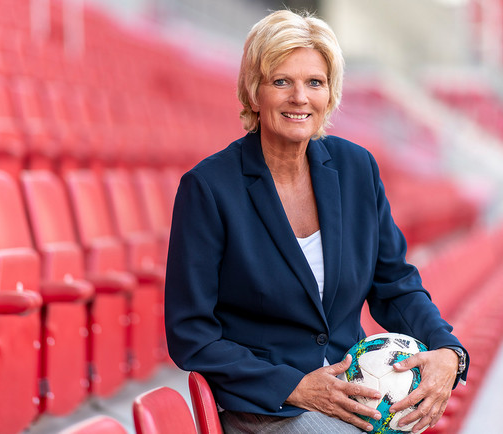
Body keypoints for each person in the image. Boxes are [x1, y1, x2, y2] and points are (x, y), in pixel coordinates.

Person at [165, 9, 468, 434]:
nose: (299, 97)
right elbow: (191, 335)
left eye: (314, 82)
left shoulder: (357, 168)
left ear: (330, 93)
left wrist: (448, 350)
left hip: (353, 390)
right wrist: (294, 386)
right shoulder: (208, 188)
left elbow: (395, 283)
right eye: (281, 82)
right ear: (253, 92)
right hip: (267, 406)